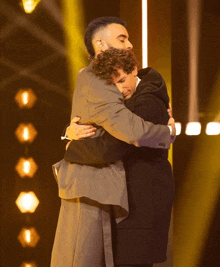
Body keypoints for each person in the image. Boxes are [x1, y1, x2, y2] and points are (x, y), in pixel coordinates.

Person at [51, 17, 175, 267]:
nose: (129, 44)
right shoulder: (94, 78)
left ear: (133, 70)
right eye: (122, 39)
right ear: (100, 44)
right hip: (97, 192)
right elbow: (100, 128)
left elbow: (117, 140)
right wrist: (69, 134)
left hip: (133, 200)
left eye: (128, 39)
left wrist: (72, 149)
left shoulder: (144, 97)